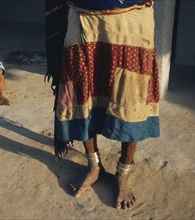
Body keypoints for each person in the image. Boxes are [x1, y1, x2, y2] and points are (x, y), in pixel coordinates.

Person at [45, 0, 159, 209]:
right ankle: (94, 167)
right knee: (82, 95)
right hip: (82, 16)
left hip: (131, 16)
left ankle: (123, 174)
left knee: (131, 94)